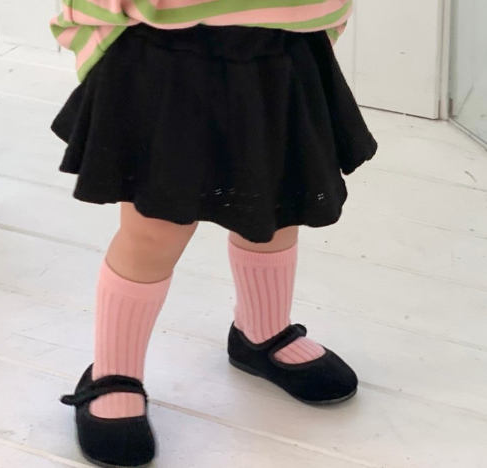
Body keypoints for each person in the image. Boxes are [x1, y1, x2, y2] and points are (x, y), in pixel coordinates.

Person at [52, 1, 377, 466]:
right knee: (153, 232)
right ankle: (113, 372)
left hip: (281, 48)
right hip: (166, 55)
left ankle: (260, 333)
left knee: (277, 211)